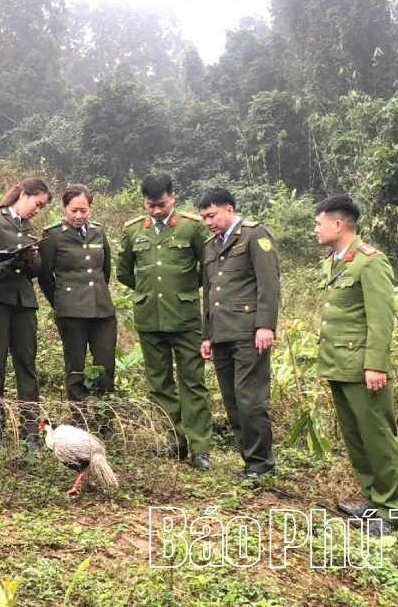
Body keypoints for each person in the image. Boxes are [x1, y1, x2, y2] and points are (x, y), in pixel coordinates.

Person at [314, 195, 398, 535]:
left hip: (364, 368)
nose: (315, 230)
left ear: (338, 224)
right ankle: (373, 501)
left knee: (378, 437)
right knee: (357, 438)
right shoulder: (337, 262)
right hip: (339, 365)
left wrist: (376, 365)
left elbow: (381, 319)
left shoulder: (370, 262)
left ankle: (391, 510)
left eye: (318, 223)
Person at [115, 173, 213, 469]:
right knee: (159, 384)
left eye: (161, 204)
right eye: (150, 205)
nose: (156, 210)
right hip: (149, 320)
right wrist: (150, 293)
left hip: (185, 320)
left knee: (192, 383)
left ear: (174, 197)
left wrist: (181, 290)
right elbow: (124, 272)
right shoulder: (133, 231)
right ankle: (176, 443)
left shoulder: (193, 227)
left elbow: (207, 269)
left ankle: (200, 449)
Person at [198, 188, 280, 480]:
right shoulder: (211, 246)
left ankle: (261, 463)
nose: (208, 221)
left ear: (229, 209)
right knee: (232, 400)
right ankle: (249, 460)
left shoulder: (254, 235)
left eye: (212, 214)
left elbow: (268, 283)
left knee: (251, 399)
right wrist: (206, 335)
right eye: (204, 217)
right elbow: (209, 293)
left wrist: (265, 325)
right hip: (221, 334)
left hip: (249, 332)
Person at [0, 178, 52, 451]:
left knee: (27, 365)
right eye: (37, 203)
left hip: (22, 301)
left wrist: (30, 260)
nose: (37, 210)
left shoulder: (29, 229)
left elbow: (36, 270)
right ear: (23, 194)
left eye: (42, 208)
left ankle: (31, 432)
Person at [38, 184, 117, 421]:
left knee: (105, 366)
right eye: (74, 210)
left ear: (90, 209)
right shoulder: (52, 236)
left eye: (84, 210)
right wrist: (61, 302)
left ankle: (105, 420)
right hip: (71, 311)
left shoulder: (98, 232)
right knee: (76, 367)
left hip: (102, 310)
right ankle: (80, 418)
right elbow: (45, 276)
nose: (79, 216)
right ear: (65, 208)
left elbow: (105, 270)